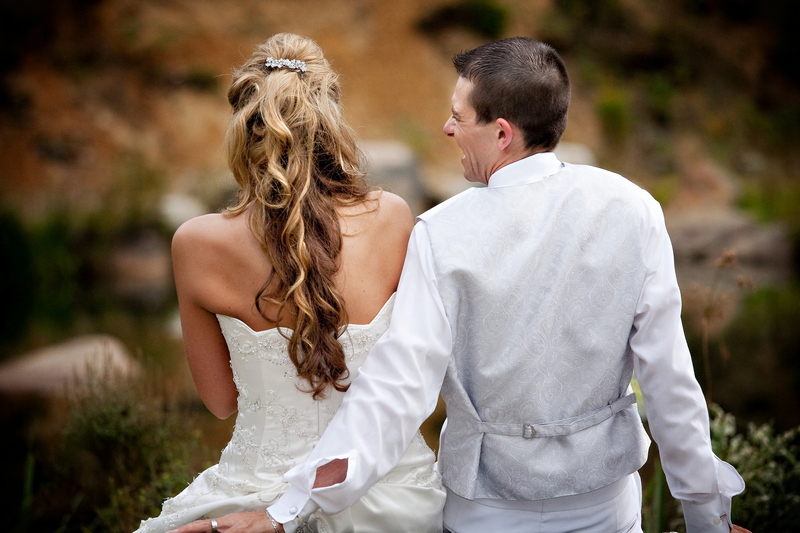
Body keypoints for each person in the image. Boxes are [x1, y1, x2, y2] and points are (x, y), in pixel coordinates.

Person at [197, 37, 751, 533]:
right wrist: (709, 520)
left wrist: (286, 509)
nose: (446, 128)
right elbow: (670, 381)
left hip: (485, 513)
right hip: (604, 507)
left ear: (502, 134)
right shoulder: (634, 209)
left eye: (457, 116)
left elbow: (395, 394)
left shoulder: (442, 233)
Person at [134, 33, 445, 533]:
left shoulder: (195, 243)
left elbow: (219, 402)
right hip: (392, 496)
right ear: (332, 120)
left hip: (255, 488)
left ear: (243, 126)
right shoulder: (392, 217)